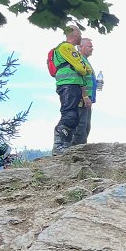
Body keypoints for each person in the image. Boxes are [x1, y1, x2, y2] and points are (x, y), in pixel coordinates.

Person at [52, 26, 91, 155]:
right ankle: (58, 145)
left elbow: (86, 69)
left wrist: (84, 68)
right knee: (69, 115)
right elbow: (81, 68)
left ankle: (65, 145)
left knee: (73, 117)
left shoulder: (70, 49)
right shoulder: (66, 47)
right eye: (80, 33)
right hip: (68, 85)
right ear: (76, 34)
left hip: (73, 84)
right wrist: (83, 68)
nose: (81, 36)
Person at [73, 37, 100, 145]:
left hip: (87, 100)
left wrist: (96, 83)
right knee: (80, 127)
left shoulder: (85, 61)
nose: (92, 49)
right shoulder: (78, 60)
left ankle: (81, 148)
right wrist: (84, 96)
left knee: (86, 127)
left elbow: (86, 79)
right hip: (81, 100)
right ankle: (76, 151)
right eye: (89, 46)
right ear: (80, 47)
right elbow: (78, 78)